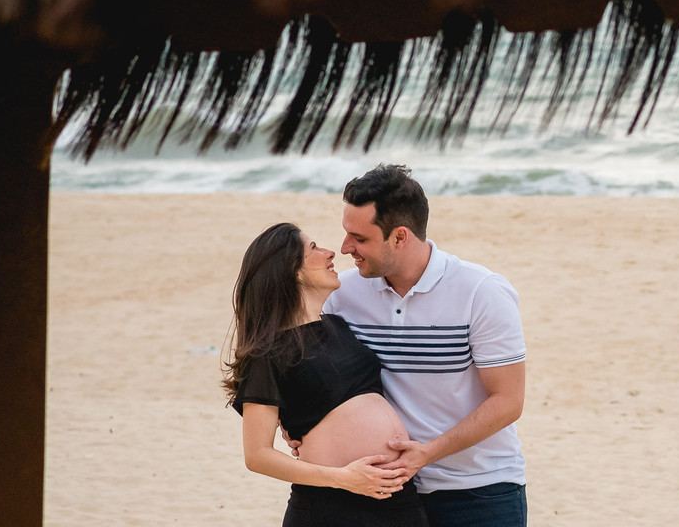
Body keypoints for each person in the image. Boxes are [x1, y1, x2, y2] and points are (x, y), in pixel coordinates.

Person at [322, 163, 528, 527]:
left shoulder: (482, 292)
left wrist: (428, 454)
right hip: (386, 493)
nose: (345, 248)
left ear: (400, 236)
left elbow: (508, 402)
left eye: (360, 238)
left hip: (479, 490)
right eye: (346, 234)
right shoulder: (343, 295)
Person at [223, 222, 431, 526]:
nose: (330, 252)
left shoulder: (341, 326)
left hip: (397, 499)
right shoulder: (266, 354)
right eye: (313, 248)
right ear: (291, 270)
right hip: (331, 506)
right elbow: (257, 455)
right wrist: (344, 478)